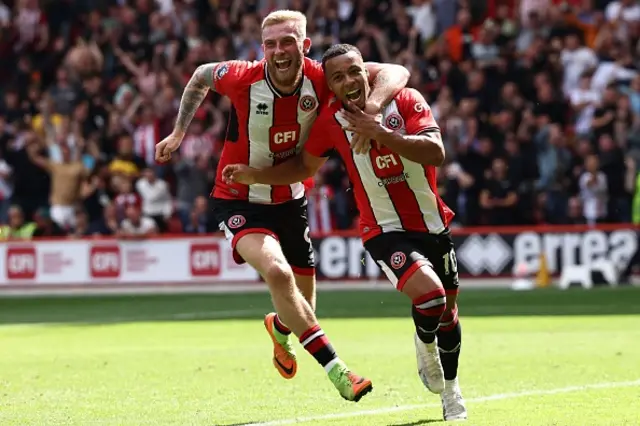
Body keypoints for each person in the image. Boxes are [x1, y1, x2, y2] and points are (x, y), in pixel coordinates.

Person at [156, 10, 410, 402]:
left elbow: (395, 72)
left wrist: (374, 107)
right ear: (263, 49)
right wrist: (177, 133)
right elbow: (201, 75)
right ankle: (340, 372)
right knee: (277, 272)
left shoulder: (323, 77)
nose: (279, 51)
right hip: (238, 198)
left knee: (302, 307)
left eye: (288, 41)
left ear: (304, 46)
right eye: (271, 43)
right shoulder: (244, 77)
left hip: (290, 199)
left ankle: (279, 328)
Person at [222, 44, 467, 421]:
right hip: (383, 230)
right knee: (431, 297)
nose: (348, 81)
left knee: (448, 314)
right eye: (336, 77)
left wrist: (378, 131)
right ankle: (430, 354)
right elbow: (303, 166)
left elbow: (435, 152)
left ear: (365, 71)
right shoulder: (329, 122)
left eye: (354, 71)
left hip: (432, 224)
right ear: (329, 87)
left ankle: (448, 384)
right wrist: (257, 176)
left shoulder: (404, 100)